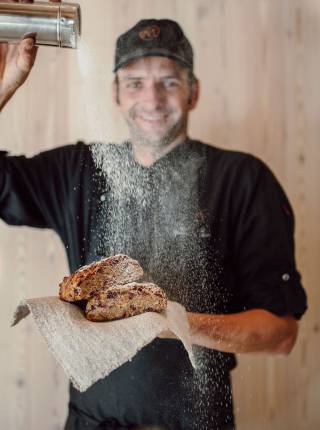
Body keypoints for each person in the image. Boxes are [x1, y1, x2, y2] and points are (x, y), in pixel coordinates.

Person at [0, 4, 307, 430]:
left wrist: (171, 322)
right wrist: (5, 86)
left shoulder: (242, 180)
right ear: (115, 93)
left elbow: (280, 333)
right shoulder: (80, 170)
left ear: (193, 91)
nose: (152, 99)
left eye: (169, 82)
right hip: (92, 421)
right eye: (135, 83)